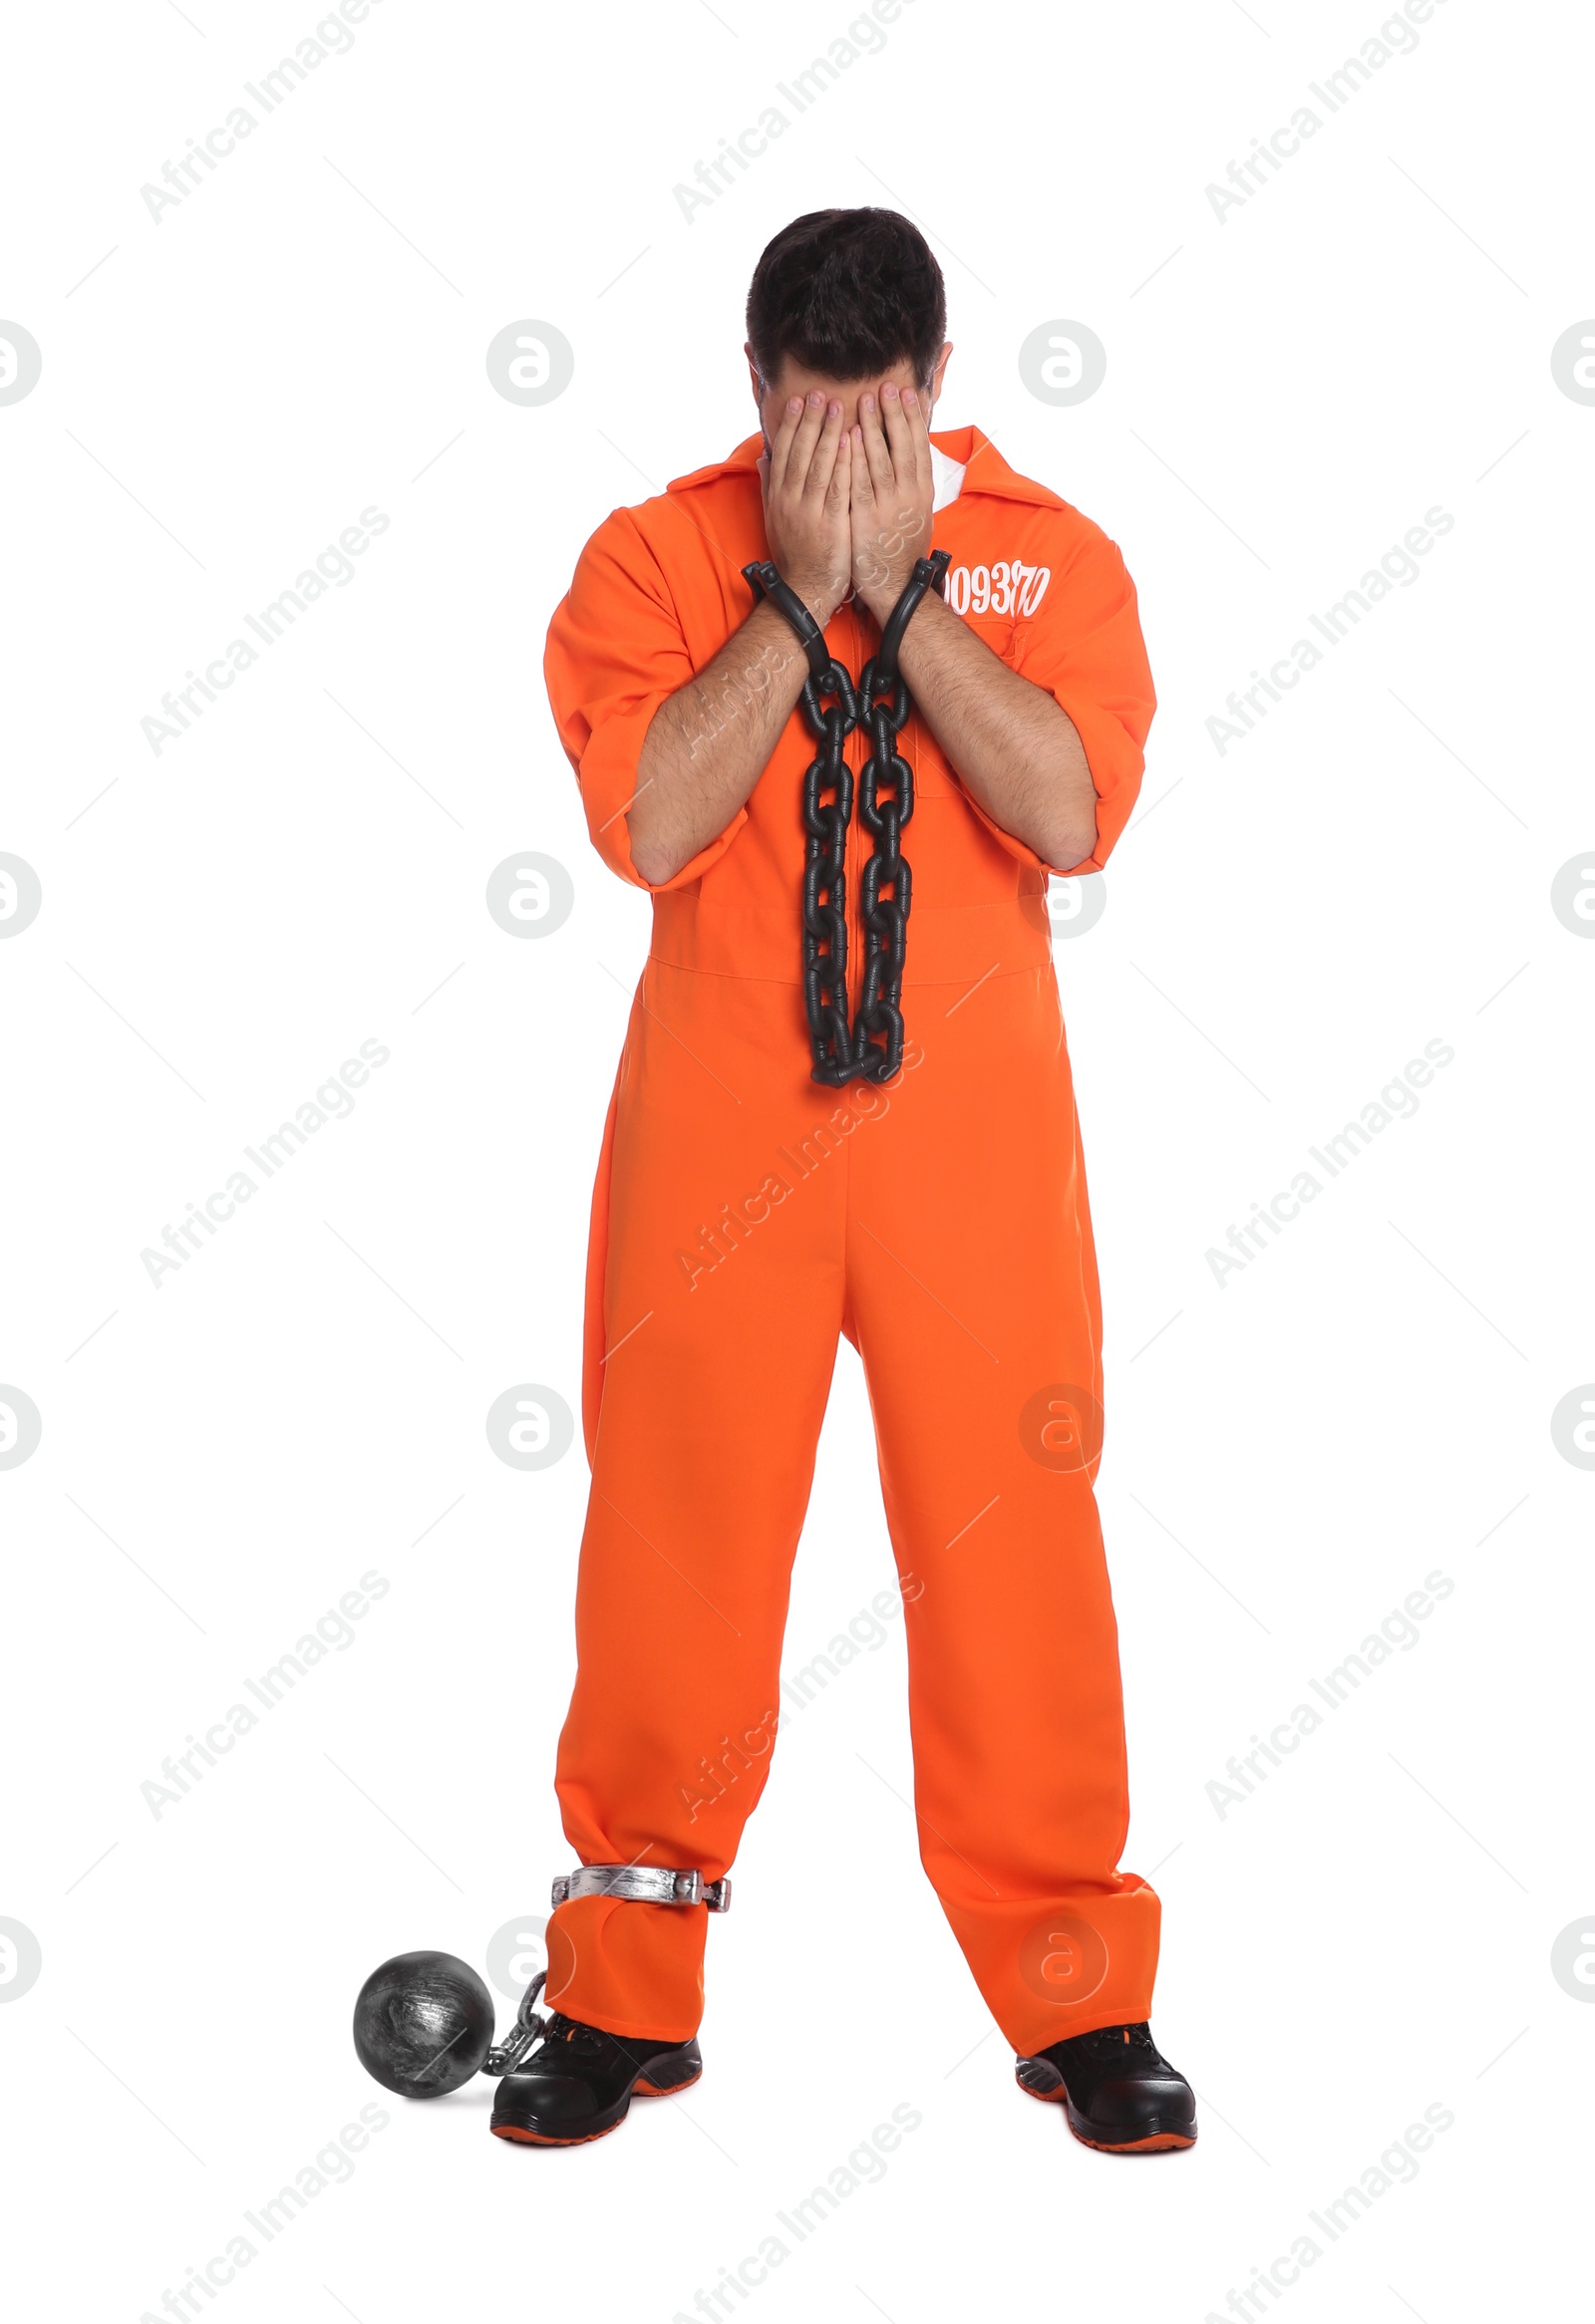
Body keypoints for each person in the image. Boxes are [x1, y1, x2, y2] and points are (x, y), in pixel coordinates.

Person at [489, 208, 1195, 2155]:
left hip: (970, 1160)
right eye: (809, 424)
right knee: (671, 1557)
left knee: (1017, 1556)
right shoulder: (653, 557)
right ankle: (624, 1988)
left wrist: (909, 593)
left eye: (874, 424)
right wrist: (799, 601)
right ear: (753, 392)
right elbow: (645, 820)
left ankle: (1079, 1994)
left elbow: (1065, 807)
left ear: (940, 388)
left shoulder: (1057, 559)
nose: (841, 458)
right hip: (721, 1142)